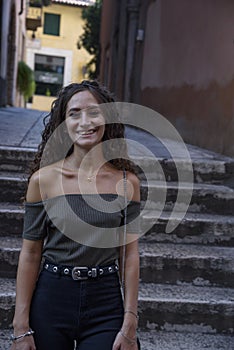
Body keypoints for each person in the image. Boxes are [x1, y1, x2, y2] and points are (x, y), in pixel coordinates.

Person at [10, 80, 141, 350]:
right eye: (74, 113)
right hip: (51, 296)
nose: (85, 121)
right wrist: (20, 327)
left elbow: (129, 255)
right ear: (63, 123)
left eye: (93, 112)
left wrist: (130, 320)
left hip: (105, 300)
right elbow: (31, 253)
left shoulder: (128, 183)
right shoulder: (42, 181)